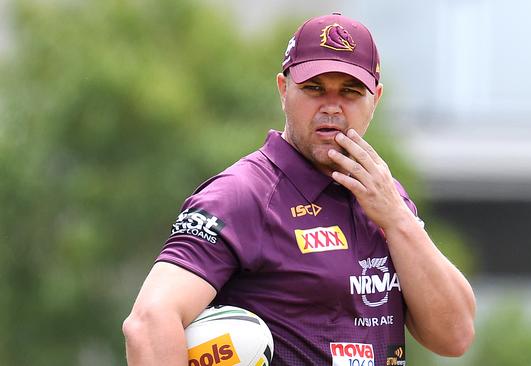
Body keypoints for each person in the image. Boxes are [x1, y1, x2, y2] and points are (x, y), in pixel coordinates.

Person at [122, 12, 476, 365]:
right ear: (283, 89)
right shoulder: (242, 194)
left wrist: (397, 219)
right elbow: (149, 322)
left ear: (376, 99)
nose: (332, 106)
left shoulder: (387, 197)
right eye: (314, 88)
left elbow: (454, 335)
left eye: (350, 91)